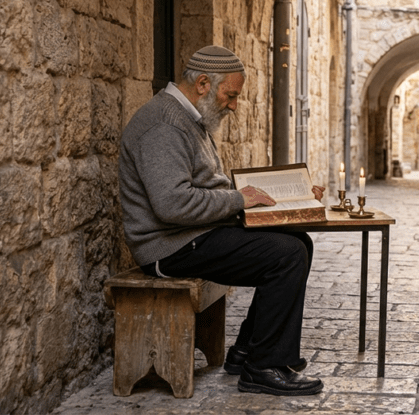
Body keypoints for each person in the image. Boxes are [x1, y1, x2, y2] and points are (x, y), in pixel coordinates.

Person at [119, 45, 327, 396]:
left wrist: (291, 195)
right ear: (203, 83)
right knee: (286, 254)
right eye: (230, 96)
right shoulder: (164, 125)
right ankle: (264, 367)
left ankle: (246, 351)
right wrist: (238, 199)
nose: (233, 105)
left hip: (194, 234)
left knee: (299, 242)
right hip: (169, 248)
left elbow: (205, 188)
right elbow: (172, 205)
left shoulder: (188, 119)